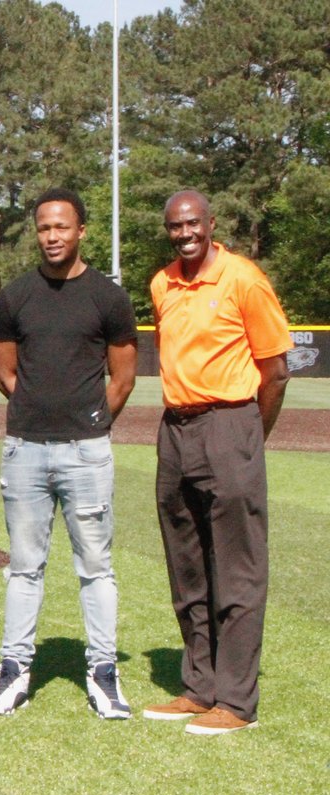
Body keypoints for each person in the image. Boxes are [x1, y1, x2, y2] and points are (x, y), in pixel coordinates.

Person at [0, 189, 138, 719]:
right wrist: (38, 410)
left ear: (81, 231)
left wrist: (92, 422)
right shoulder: (15, 296)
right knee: (24, 567)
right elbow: (6, 372)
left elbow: (123, 376)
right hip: (25, 449)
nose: (52, 236)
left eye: (62, 227)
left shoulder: (108, 297)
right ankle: (14, 671)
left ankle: (103, 672)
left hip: (87, 453)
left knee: (96, 567)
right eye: (44, 228)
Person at [143, 190, 291, 735]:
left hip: (230, 423)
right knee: (187, 569)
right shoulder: (162, 283)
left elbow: (275, 372)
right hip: (175, 429)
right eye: (175, 226)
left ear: (211, 223)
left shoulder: (243, 278)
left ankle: (235, 701)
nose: (184, 233)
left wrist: (249, 436)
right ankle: (199, 687)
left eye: (192, 223)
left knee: (237, 570)